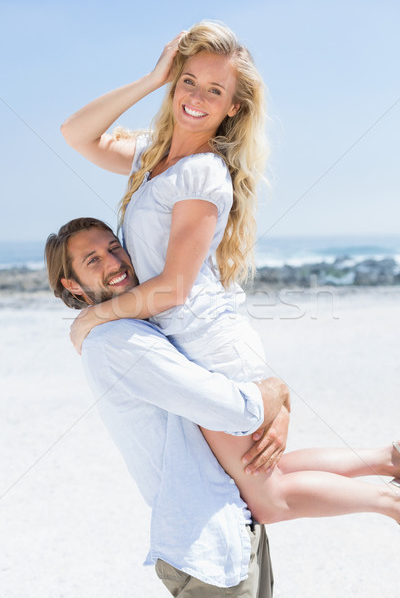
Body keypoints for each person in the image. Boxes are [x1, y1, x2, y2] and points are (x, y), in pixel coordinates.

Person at [59, 19, 400, 588]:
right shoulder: (153, 155)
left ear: (234, 108)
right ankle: (388, 460)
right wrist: (152, 78)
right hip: (198, 341)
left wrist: (95, 315)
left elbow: (172, 288)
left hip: (209, 346)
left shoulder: (199, 173)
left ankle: (389, 503)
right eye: (188, 81)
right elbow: (75, 134)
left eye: (213, 91)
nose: (195, 98)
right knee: (262, 473)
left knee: (266, 497)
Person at [46, 216, 291, 596]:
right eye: (93, 260)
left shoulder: (145, 324)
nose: (114, 262)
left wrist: (279, 408)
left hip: (233, 521)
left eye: (114, 247)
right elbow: (233, 411)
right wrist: (276, 392)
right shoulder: (117, 339)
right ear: (71, 285)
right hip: (207, 550)